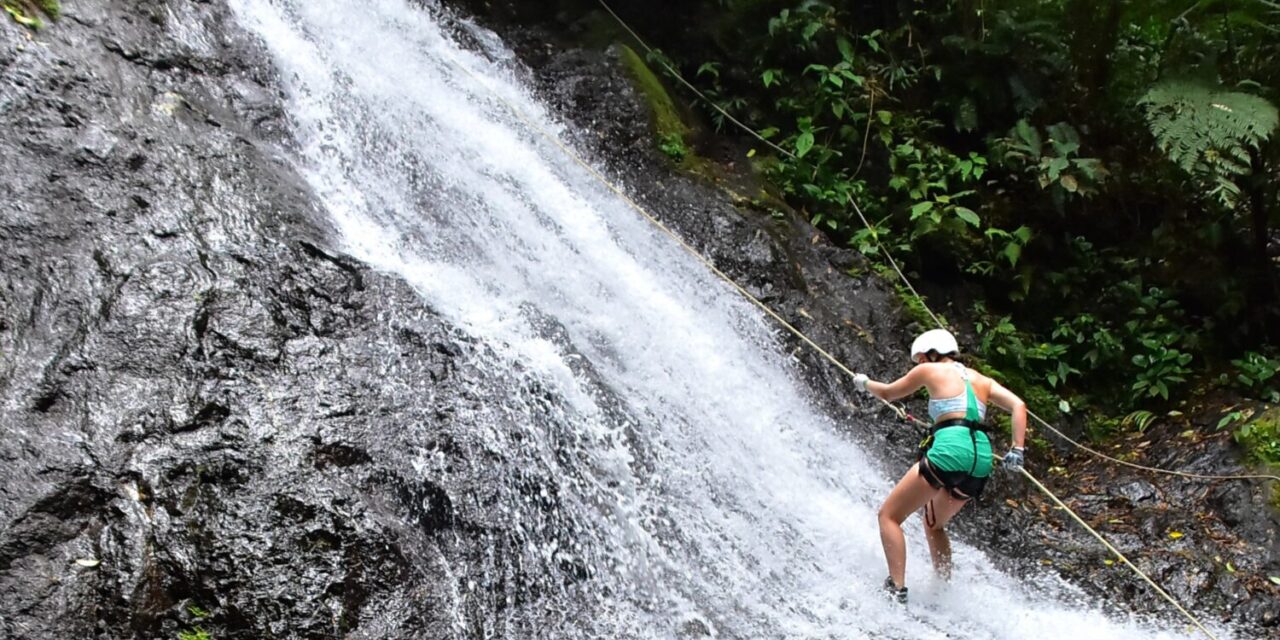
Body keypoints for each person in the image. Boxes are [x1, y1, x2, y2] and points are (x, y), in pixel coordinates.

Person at [852, 329, 1027, 604]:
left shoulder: (929, 370)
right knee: (934, 524)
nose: (920, 364)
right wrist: (1017, 448)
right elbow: (1018, 405)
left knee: (889, 516)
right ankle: (942, 591)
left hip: (951, 450)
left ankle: (896, 588)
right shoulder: (982, 379)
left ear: (932, 354)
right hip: (980, 458)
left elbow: (887, 393)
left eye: (921, 358)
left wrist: (864, 383)